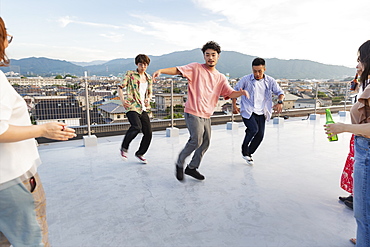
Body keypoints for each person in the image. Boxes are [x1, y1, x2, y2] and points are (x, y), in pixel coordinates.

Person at [0, 17, 76, 247]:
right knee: (33, 240)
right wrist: (43, 128)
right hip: (12, 179)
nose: (7, 43)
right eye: (6, 37)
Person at [152, 41, 249, 181]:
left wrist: (241, 93)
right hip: (193, 111)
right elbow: (178, 70)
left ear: (218, 56)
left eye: (213, 55)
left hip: (206, 114)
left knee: (205, 142)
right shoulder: (196, 68)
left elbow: (229, 93)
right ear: (204, 56)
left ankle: (192, 168)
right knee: (196, 140)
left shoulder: (221, 77)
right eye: (207, 54)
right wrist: (161, 71)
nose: (210, 57)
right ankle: (180, 162)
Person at [325, 40, 370, 246]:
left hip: (367, 153)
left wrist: (342, 127)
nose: (358, 64)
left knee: (364, 215)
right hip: (363, 149)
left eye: (360, 59)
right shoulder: (366, 82)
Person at [232, 57, 284, 165]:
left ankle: (248, 153)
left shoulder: (270, 81)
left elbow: (280, 92)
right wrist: (234, 105)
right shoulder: (245, 80)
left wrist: (280, 102)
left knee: (260, 135)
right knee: (253, 129)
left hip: (262, 111)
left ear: (264, 69)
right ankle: (244, 150)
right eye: (255, 71)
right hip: (248, 110)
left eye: (259, 71)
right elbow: (234, 92)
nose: (257, 73)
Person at [118, 54, 153, 164]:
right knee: (136, 127)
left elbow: (150, 93)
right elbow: (120, 87)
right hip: (132, 106)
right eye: (141, 64)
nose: (143, 67)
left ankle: (140, 153)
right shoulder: (131, 74)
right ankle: (124, 148)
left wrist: (148, 99)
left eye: (145, 65)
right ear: (137, 64)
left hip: (143, 108)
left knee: (148, 133)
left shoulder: (148, 77)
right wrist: (123, 101)